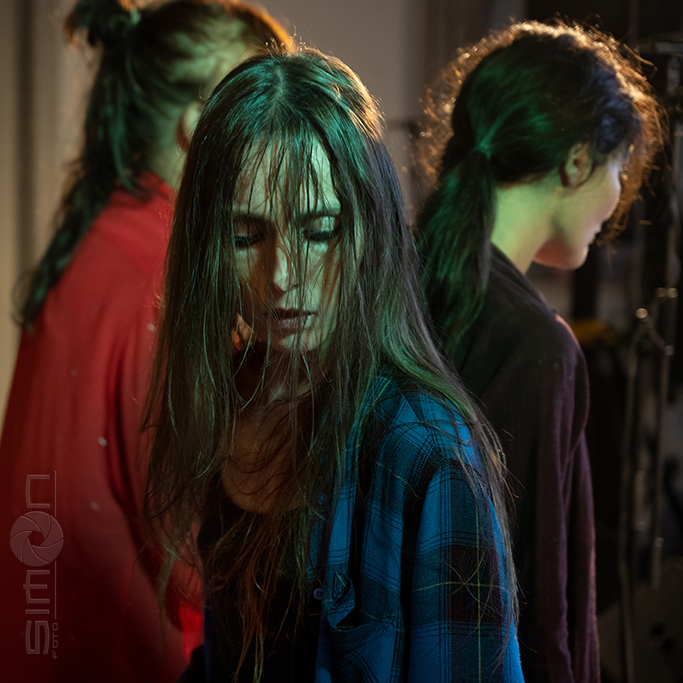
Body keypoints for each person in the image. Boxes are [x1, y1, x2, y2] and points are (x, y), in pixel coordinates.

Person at [144, 47, 525, 682]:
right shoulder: (230, 391)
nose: (282, 276)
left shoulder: (424, 452)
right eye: (245, 236)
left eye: (319, 230)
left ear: (371, 229)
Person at [0, 2, 290, 682]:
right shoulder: (160, 267)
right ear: (197, 127)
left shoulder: (105, 235)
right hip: (122, 654)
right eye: (257, 114)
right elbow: (184, 538)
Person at [416, 20, 664, 683]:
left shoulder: (399, 282)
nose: (616, 199)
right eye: (618, 168)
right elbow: (532, 598)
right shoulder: (533, 343)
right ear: (576, 162)